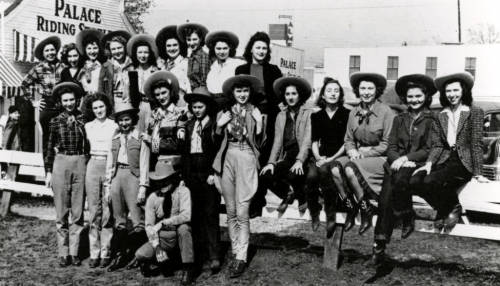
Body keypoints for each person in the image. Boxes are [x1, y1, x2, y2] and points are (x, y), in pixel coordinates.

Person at [411, 72, 488, 233]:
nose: (452, 95)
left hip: (463, 162)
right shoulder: (441, 115)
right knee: (415, 181)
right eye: (448, 91)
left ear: (463, 91)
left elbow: (476, 144)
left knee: (431, 181)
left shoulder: (475, 112)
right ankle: (446, 208)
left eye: (455, 90)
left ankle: (450, 207)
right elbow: (438, 145)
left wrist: (478, 172)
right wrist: (428, 164)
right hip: (444, 160)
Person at [371, 74, 437, 265]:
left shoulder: (432, 119)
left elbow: (429, 149)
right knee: (386, 194)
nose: (414, 100)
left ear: (425, 97)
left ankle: (387, 233)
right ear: (405, 99)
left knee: (395, 184)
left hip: (417, 165)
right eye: (410, 97)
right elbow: (390, 146)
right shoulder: (399, 119)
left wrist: (407, 158)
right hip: (397, 165)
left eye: (418, 96)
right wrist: (397, 159)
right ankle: (382, 239)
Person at [212, 75, 265, 278]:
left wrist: (259, 125)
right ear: (232, 93)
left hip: (247, 158)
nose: (242, 95)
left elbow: (260, 143)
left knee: (243, 210)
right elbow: (215, 139)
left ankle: (242, 256)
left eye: (245, 91)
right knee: (231, 210)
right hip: (228, 159)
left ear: (250, 92)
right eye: (238, 91)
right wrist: (219, 125)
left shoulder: (255, 111)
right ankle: (236, 252)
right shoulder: (225, 112)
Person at [331, 72, 395, 235]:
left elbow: (388, 144)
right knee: (335, 169)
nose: (366, 92)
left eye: (370, 88)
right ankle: (350, 208)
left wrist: (365, 154)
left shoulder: (386, 112)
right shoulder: (354, 112)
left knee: (350, 169)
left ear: (377, 90)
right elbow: (348, 139)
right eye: (363, 88)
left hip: (379, 158)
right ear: (357, 90)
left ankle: (365, 208)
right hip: (357, 155)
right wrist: (351, 150)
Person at [236, 31, 283, 217]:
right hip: (247, 115)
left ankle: (258, 201)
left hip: (268, 118)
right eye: (258, 47)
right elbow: (238, 94)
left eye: (264, 48)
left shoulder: (274, 70)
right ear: (251, 49)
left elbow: (278, 96)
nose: (261, 51)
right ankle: (247, 199)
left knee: (264, 158)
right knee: (248, 158)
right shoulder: (241, 69)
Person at [44, 82, 88, 267]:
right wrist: (47, 171)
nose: (69, 103)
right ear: (61, 102)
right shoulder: (54, 121)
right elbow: (48, 148)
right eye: (65, 100)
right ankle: (63, 252)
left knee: (77, 211)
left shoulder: (85, 119)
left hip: (80, 162)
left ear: (77, 100)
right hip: (60, 162)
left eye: (72, 100)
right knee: (62, 211)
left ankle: (75, 252)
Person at [105, 100, 150, 272]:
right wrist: (108, 185)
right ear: (117, 121)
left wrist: (143, 186)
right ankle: (120, 255)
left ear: (132, 119)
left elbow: (144, 163)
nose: (124, 123)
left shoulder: (139, 137)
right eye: (121, 120)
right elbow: (110, 162)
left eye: (127, 120)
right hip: (117, 177)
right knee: (119, 221)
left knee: (138, 221)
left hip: (133, 177)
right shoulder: (115, 138)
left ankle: (138, 255)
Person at [134, 160, 195, 284]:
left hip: (178, 235)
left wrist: (164, 222)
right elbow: (149, 226)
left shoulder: (183, 192)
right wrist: (157, 247)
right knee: (140, 254)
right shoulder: (153, 198)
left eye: (166, 179)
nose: (163, 183)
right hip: (162, 238)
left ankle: (188, 268)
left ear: (173, 178)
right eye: (159, 180)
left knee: (184, 229)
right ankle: (159, 262)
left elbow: (186, 216)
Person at [259, 76, 313, 215]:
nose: (290, 97)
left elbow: (307, 139)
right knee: (266, 175)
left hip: (304, 156)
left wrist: (300, 160)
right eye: (287, 94)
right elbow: (277, 142)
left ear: (299, 95)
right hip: (288, 156)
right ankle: (287, 194)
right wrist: (271, 162)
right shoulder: (281, 116)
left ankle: (302, 196)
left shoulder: (308, 113)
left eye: (294, 94)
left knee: (293, 174)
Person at [181, 87, 221, 273]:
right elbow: (185, 154)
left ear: (207, 107)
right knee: (195, 215)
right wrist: (184, 177)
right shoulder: (188, 126)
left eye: (200, 106)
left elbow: (218, 150)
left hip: (208, 174)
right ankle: (199, 255)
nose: (197, 110)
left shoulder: (214, 125)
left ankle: (214, 256)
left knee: (210, 214)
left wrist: (214, 172)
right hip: (192, 175)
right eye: (194, 107)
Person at [304, 77, 350, 236]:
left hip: (339, 155)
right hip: (321, 155)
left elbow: (347, 142)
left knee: (325, 172)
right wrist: (317, 157)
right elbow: (314, 141)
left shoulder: (347, 114)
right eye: (329, 91)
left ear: (340, 94)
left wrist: (329, 160)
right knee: (310, 176)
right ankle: (314, 212)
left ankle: (330, 214)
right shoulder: (317, 116)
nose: (333, 94)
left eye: (336, 91)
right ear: (322, 95)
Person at [84, 93, 118, 268]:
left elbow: (115, 150)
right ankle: (94, 252)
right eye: (95, 107)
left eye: (101, 106)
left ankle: (106, 251)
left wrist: (110, 173)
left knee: (107, 209)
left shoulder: (114, 125)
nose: (99, 110)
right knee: (93, 210)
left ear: (107, 107)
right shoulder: (88, 126)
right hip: (92, 165)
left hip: (108, 164)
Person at [21, 35, 64, 155]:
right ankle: (47, 168)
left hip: (63, 104)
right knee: (48, 139)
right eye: (47, 51)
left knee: (63, 137)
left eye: (52, 50)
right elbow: (24, 85)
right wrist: (34, 102)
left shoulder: (63, 66)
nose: (50, 53)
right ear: (43, 54)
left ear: (56, 51)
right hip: (48, 105)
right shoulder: (38, 68)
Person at [143, 71, 187, 170]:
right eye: (157, 95)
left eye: (164, 93)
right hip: (155, 164)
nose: (161, 97)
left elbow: (178, 145)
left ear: (170, 92)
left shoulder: (180, 114)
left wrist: (151, 140)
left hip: (172, 165)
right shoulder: (154, 115)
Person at [126, 33, 159, 133]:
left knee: (150, 133)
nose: (143, 55)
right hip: (136, 107)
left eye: (146, 52)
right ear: (135, 54)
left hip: (152, 107)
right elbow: (127, 95)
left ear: (150, 54)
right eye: (140, 52)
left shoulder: (155, 71)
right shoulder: (131, 72)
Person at [205, 30, 245, 109]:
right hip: (213, 103)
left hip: (230, 104)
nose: (222, 52)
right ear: (214, 49)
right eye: (218, 48)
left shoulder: (237, 64)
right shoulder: (213, 67)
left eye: (225, 48)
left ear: (230, 48)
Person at [156, 25, 191, 106]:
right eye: (168, 46)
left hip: (182, 100)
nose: (172, 49)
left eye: (175, 45)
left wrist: (189, 104)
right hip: (166, 102)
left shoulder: (185, 63)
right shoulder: (163, 65)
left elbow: (189, 86)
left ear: (180, 46)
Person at [75, 29, 105, 122]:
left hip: (99, 102)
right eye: (89, 48)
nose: (92, 51)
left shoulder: (103, 66)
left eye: (95, 48)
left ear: (99, 49)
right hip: (86, 103)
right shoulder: (82, 67)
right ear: (85, 49)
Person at [99, 30, 133, 111]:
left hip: (130, 102)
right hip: (114, 102)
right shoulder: (106, 66)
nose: (117, 51)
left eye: (119, 48)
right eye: (113, 49)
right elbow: (101, 89)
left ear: (124, 47)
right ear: (110, 51)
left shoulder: (133, 64)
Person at [177, 22, 210, 90]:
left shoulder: (204, 57)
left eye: (195, 39)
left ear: (200, 39)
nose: (191, 43)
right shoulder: (191, 57)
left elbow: (204, 82)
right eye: (188, 40)